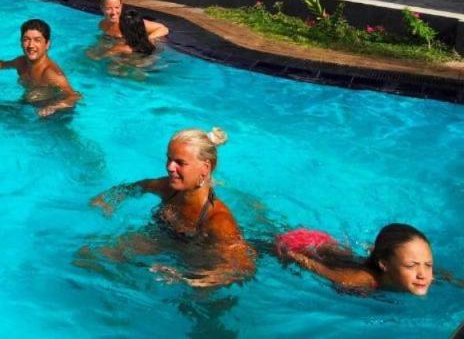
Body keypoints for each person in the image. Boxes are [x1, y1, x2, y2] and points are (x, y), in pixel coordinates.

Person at [89, 126, 255, 287]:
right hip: (163, 239)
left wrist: (185, 278)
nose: (170, 167)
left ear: (205, 167)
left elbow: (243, 269)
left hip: (200, 262)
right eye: (169, 159)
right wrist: (110, 199)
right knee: (89, 257)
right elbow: (140, 186)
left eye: (180, 163)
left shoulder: (219, 221)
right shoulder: (168, 189)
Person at [276, 223, 435, 295]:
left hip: (346, 257)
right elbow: (320, 270)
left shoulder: (424, 274)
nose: (422, 274)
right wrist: (291, 255)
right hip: (303, 247)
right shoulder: (359, 280)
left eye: (428, 265)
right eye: (411, 265)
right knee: (271, 229)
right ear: (384, 264)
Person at [98, 0, 169, 43]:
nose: (113, 12)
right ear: (102, 8)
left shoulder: (129, 21)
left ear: (121, 6)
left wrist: (147, 40)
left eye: (117, 7)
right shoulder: (102, 25)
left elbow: (163, 29)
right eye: (108, 8)